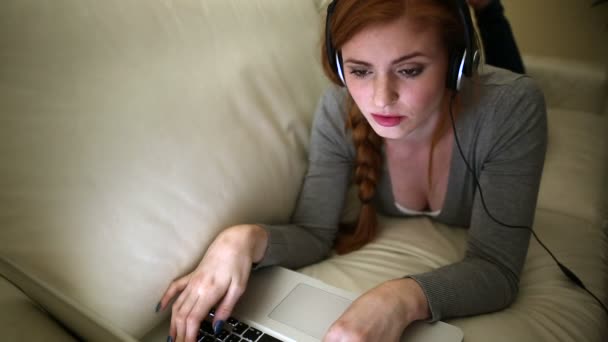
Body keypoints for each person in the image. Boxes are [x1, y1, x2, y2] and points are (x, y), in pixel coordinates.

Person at [157, 0, 547, 341]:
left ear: (456, 63)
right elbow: (314, 233)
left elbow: (496, 268)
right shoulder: (337, 109)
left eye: (410, 70)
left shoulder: (510, 108)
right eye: (360, 71)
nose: (380, 99)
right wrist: (240, 240)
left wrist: (399, 298)